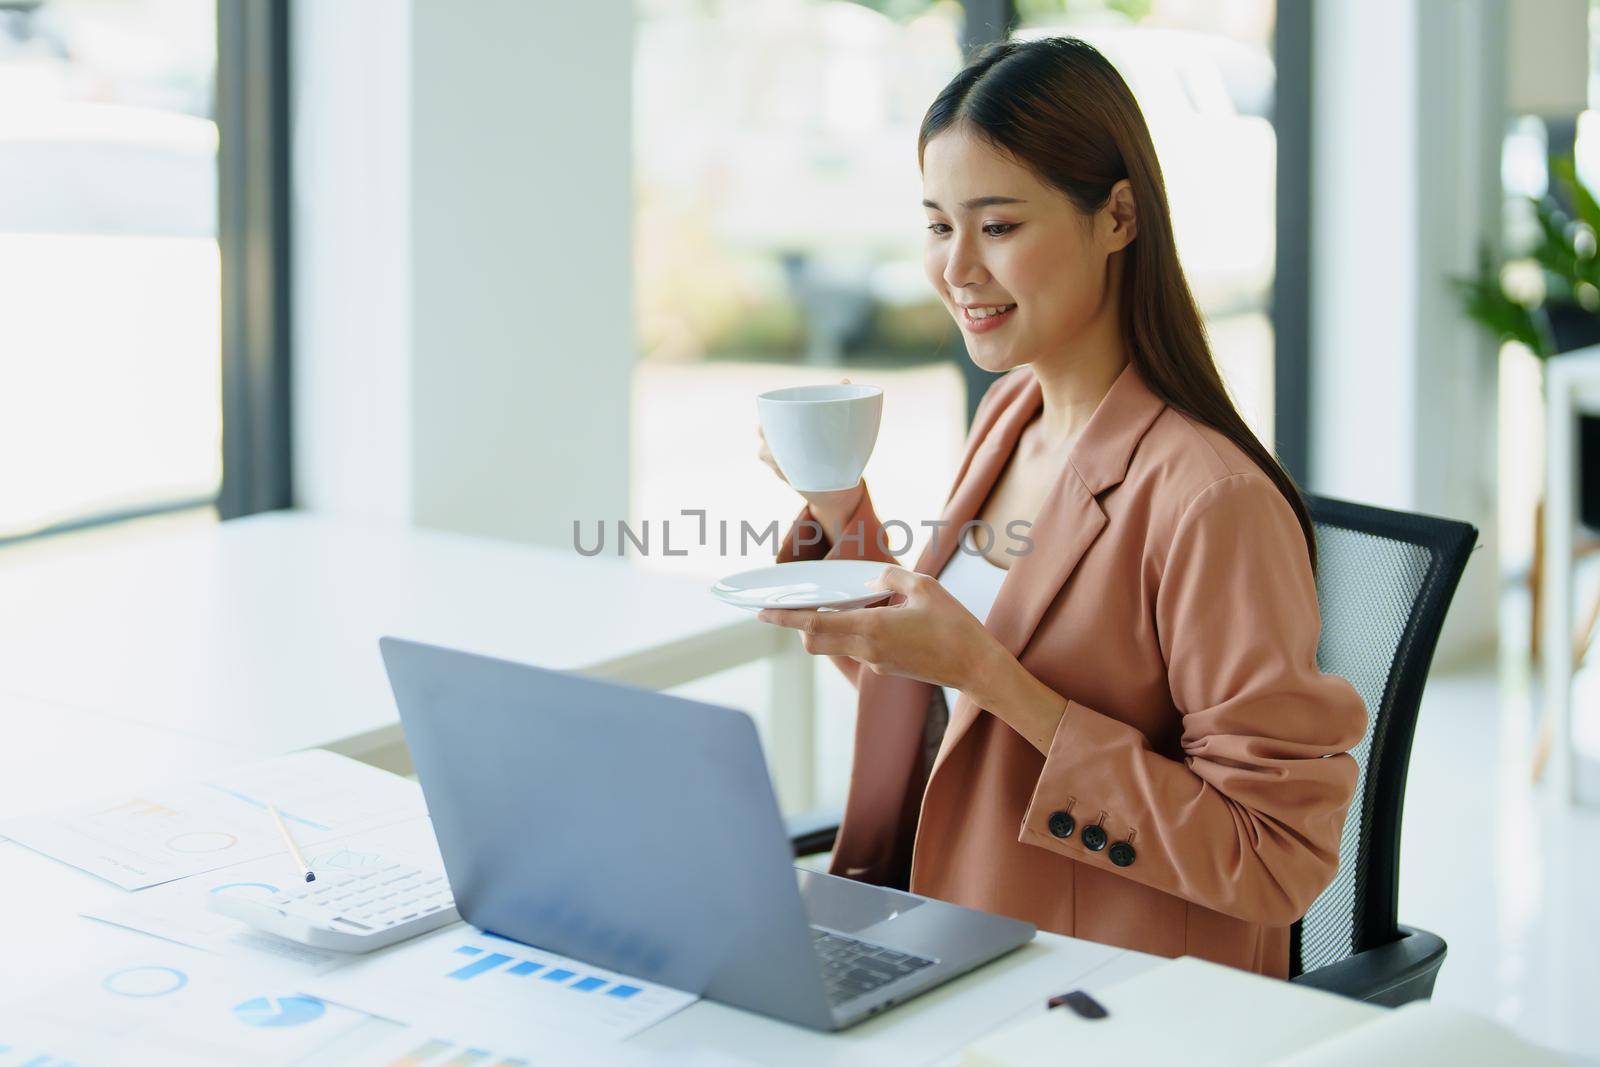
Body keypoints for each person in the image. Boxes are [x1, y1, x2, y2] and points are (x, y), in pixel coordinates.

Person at [753, 37, 1366, 979]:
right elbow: (945, 705)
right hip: (957, 932)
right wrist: (841, 513)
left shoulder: (1213, 500)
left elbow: (1272, 857)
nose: (956, 268)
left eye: (997, 227)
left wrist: (996, 678)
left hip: (1104, 989)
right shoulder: (1015, 413)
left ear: (1117, 216)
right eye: (936, 226)